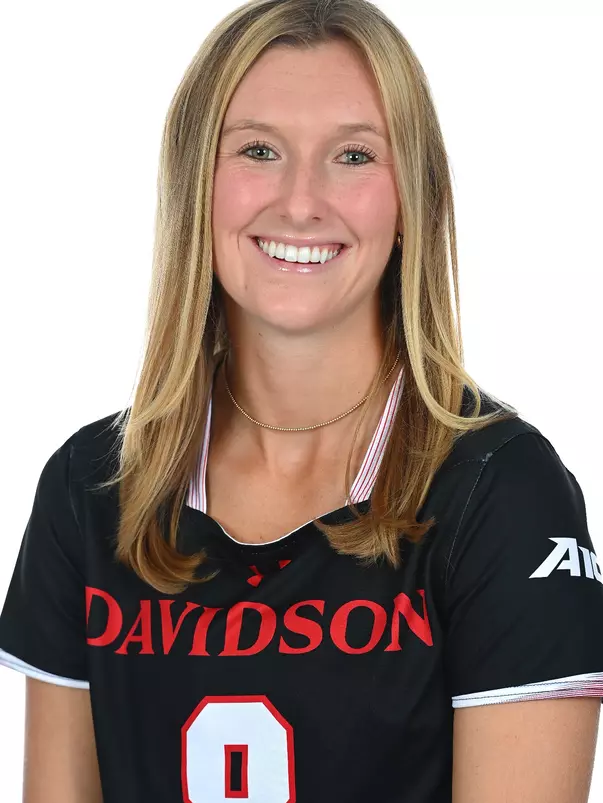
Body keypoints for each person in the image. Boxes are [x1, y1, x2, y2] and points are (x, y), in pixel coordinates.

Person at [1, 1, 602, 801]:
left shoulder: (501, 489)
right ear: (196, 188)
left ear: (408, 203)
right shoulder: (92, 484)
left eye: (353, 155)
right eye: (257, 149)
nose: (300, 200)